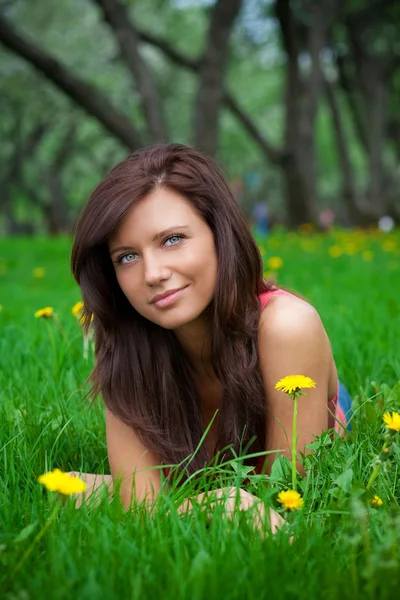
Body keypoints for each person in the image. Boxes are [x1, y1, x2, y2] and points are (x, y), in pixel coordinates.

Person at [69, 143, 350, 528]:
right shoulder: (127, 343)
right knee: (66, 488)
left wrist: (177, 499)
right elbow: (141, 508)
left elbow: (287, 499)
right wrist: (220, 501)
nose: (152, 274)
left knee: (85, 491)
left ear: (220, 234)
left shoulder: (286, 327)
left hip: (310, 392)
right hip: (211, 461)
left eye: (172, 239)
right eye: (127, 257)